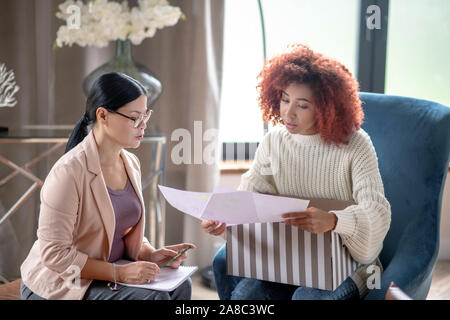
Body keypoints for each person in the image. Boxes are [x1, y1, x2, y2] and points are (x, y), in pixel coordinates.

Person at [202, 44, 391, 300]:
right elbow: (251, 196)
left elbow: (376, 212)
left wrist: (334, 220)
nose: (288, 113)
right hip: (287, 260)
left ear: (326, 107)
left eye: (302, 105)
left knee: (307, 298)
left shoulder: (356, 144)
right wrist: (226, 219)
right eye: (284, 99)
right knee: (245, 298)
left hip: (346, 264)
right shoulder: (274, 141)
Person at [20, 72, 196, 300]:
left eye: (146, 115)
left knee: (182, 286)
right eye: (135, 118)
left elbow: (117, 230)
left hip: (106, 273)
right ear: (102, 115)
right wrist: (119, 273)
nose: (143, 125)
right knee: (155, 298)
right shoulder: (68, 172)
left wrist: (149, 254)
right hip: (63, 281)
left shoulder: (130, 163)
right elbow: (55, 255)